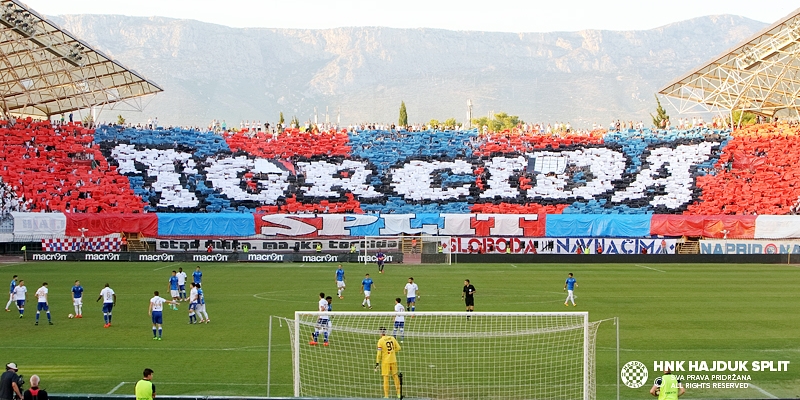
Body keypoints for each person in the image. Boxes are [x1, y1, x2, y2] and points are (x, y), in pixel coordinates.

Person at [375, 327, 402, 399]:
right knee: (395, 376)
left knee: (386, 378)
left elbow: (379, 354)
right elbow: (399, 348)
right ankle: (399, 394)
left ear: (380, 333)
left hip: (385, 362)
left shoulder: (380, 341)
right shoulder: (392, 338)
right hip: (393, 360)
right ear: (386, 332)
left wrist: (377, 363)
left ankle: (386, 396)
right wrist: (392, 352)